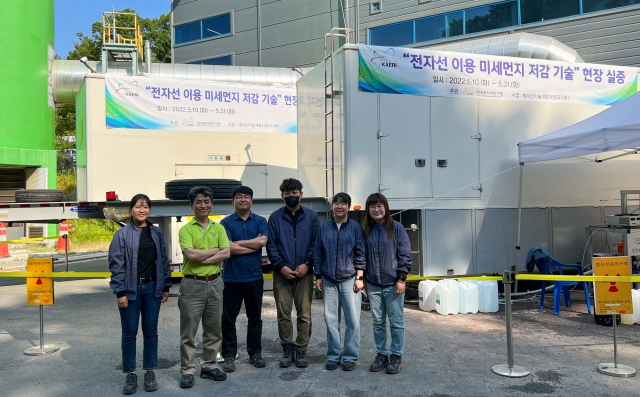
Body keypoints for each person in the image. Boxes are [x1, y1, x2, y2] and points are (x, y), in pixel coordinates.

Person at [109, 194, 172, 395]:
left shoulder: (156, 233)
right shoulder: (122, 234)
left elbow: (163, 259)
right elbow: (116, 264)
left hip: (152, 289)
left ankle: (149, 372)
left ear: (149, 210)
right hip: (131, 291)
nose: (141, 210)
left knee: (151, 332)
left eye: (145, 207)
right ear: (131, 210)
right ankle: (130, 374)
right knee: (129, 334)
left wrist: (165, 286)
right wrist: (120, 291)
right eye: (137, 207)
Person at [177, 186, 231, 388]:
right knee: (188, 332)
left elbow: (226, 253)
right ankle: (187, 370)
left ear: (212, 204)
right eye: (199, 202)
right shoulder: (186, 230)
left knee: (214, 330)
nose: (203, 205)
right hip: (193, 285)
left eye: (207, 201)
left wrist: (206, 256)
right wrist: (215, 251)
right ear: (192, 206)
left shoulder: (219, 228)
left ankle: (209, 365)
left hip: (216, 283)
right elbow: (190, 255)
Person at [266, 178, 320, 368]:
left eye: (294, 193)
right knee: (283, 313)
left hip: (305, 273)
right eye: (287, 194)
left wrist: (307, 264)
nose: (291, 196)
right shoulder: (274, 217)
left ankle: (302, 350)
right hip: (282, 273)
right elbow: (270, 244)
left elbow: (316, 243)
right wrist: (281, 265)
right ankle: (287, 349)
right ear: (282, 196)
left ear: (301, 194)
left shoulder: (312, 217)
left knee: (304, 314)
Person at [219, 186, 269, 372]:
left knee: (255, 318)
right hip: (232, 279)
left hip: (254, 277)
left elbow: (263, 242)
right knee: (228, 320)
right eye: (239, 197)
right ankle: (229, 356)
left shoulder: (260, 221)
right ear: (233, 201)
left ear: (251, 200)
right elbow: (228, 248)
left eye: (246, 197)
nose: (243, 200)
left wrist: (236, 244)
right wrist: (252, 246)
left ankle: (255, 353)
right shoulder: (225, 223)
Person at [314, 192, 366, 371]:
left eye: (343, 203)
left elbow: (360, 253)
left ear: (348, 207)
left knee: (352, 319)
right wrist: (318, 276)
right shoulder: (324, 227)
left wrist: (359, 277)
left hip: (349, 279)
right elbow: (318, 252)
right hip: (328, 279)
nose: (339, 206)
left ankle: (350, 356)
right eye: (337, 203)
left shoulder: (355, 228)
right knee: (330, 319)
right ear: (332, 206)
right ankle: (334, 355)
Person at [363, 193, 412, 375]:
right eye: (372, 206)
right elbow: (363, 256)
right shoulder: (367, 230)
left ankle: (396, 356)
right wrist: (365, 279)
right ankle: (381, 355)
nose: (376, 209)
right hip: (374, 284)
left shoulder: (396, 228)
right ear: (368, 210)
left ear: (386, 207)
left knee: (396, 322)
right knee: (377, 322)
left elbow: (405, 254)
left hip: (393, 284)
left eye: (380, 205)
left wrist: (401, 279)